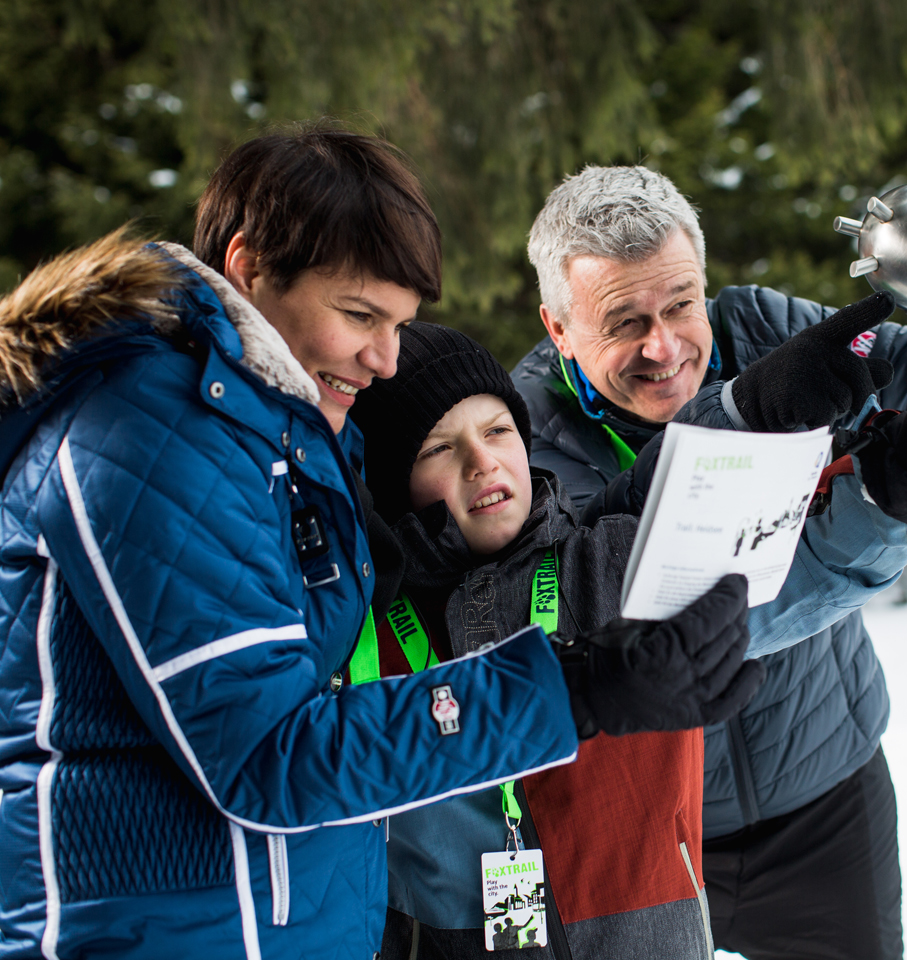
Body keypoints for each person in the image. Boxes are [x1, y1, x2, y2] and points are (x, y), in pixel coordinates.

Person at [0, 127, 758, 960]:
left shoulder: (272, 433)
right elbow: (269, 754)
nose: (386, 358)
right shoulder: (154, 437)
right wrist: (577, 689)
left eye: (400, 322)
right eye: (360, 315)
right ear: (250, 269)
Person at [513, 141, 907, 959]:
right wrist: (894, 495)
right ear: (558, 327)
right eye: (625, 323)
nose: (666, 347)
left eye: (680, 304)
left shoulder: (756, 328)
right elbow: (686, 623)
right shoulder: (521, 448)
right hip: (649, 831)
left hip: (825, 793)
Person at [351, 304, 907, 957]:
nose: (481, 461)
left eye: (496, 430)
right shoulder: (358, 632)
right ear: (387, 483)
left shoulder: (599, 569)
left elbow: (787, 568)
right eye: (438, 447)